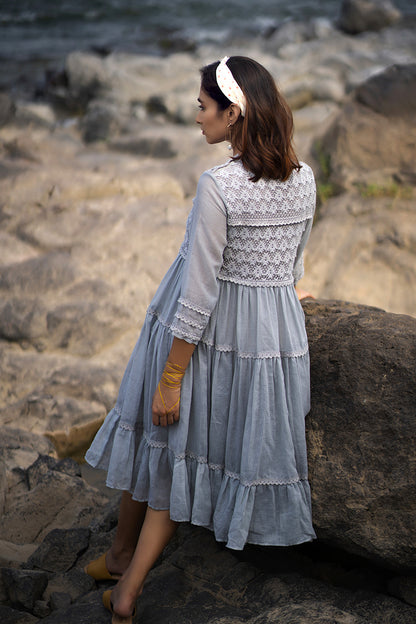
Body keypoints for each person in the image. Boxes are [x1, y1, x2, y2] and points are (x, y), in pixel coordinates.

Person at [84, 55, 317, 623]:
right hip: (268, 337)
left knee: (160, 434)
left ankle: (125, 576)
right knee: (178, 447)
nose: (196, 117)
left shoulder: (219, 186)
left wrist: (171, 377)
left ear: (234, 113)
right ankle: (119, 559)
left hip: (203, 335)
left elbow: (200, 292)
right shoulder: (305, 177)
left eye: (203, 105)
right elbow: (293, 269)